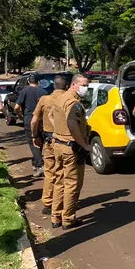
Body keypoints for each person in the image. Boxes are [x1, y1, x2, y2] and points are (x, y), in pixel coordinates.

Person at [51, 74, 91, 230]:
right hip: (71, 147)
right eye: (84, 85)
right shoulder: (73, 103)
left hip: (59, 145)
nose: (86, 89)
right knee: (72, 184)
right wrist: (83, 144)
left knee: (59, 181)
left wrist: (59, 133)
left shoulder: (60, 98)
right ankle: (68, 218)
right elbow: (72, 123)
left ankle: (56, 216)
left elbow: (51, 116)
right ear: (74, 85)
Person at [31, 75, 69, 216]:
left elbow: (34, 121)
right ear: (66, 86)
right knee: (65, 173)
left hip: (49, 139)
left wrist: (35, 136)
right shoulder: (70, 99)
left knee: (50, 172)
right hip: (65, 140)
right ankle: (63, 202)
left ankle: (48, 203)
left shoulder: (45, 99)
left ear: (54, 86)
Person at [15, 74, 47, 177]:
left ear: (29, 81)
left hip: (29, 119)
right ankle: (36, 162)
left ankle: (39, 165)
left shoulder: (24, 90)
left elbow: (16, 106)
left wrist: (19, 115)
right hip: (41, 121)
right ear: (38, 82)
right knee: (40, 142)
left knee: (33, 143)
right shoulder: (44, 92)